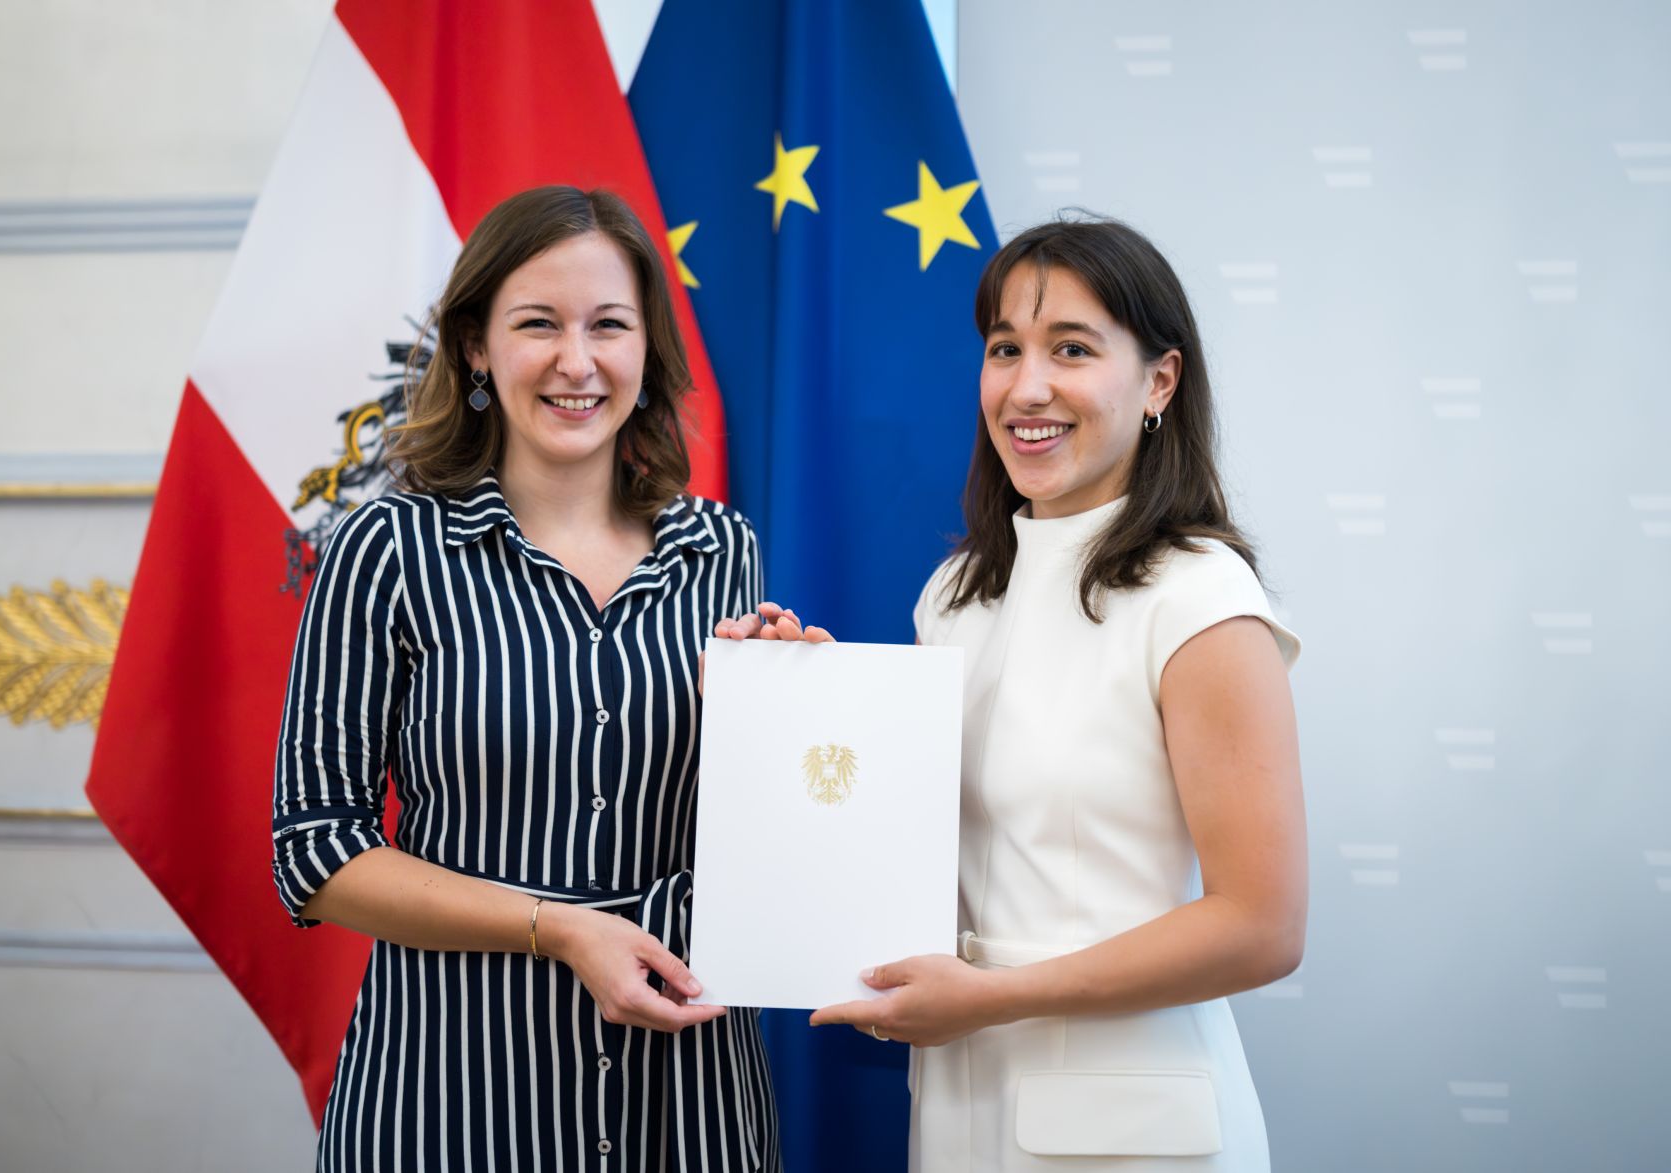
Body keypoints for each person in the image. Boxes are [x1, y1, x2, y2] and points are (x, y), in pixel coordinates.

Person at [271, 185, 780, 1172]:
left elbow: (749, 842)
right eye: (537, 324)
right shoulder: (388, 547)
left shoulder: (723, 550)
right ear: (474, 346)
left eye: (608, 326)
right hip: (449, 1094)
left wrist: (787, 725)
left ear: (647, 351)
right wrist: (559, 930)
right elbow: (313, 850)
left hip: (684, 1098)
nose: (576, 361)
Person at [792, 217, 1306, 1171]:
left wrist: (990, 996)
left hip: (1135, 1128)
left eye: (1071, 349)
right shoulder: (953, 596)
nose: (1027, 387)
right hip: (957, 1109)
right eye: (1004, 350)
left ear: (1160, 381)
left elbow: (1262, 926)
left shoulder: (1199, 594)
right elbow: (921, 854)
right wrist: (801, 702)